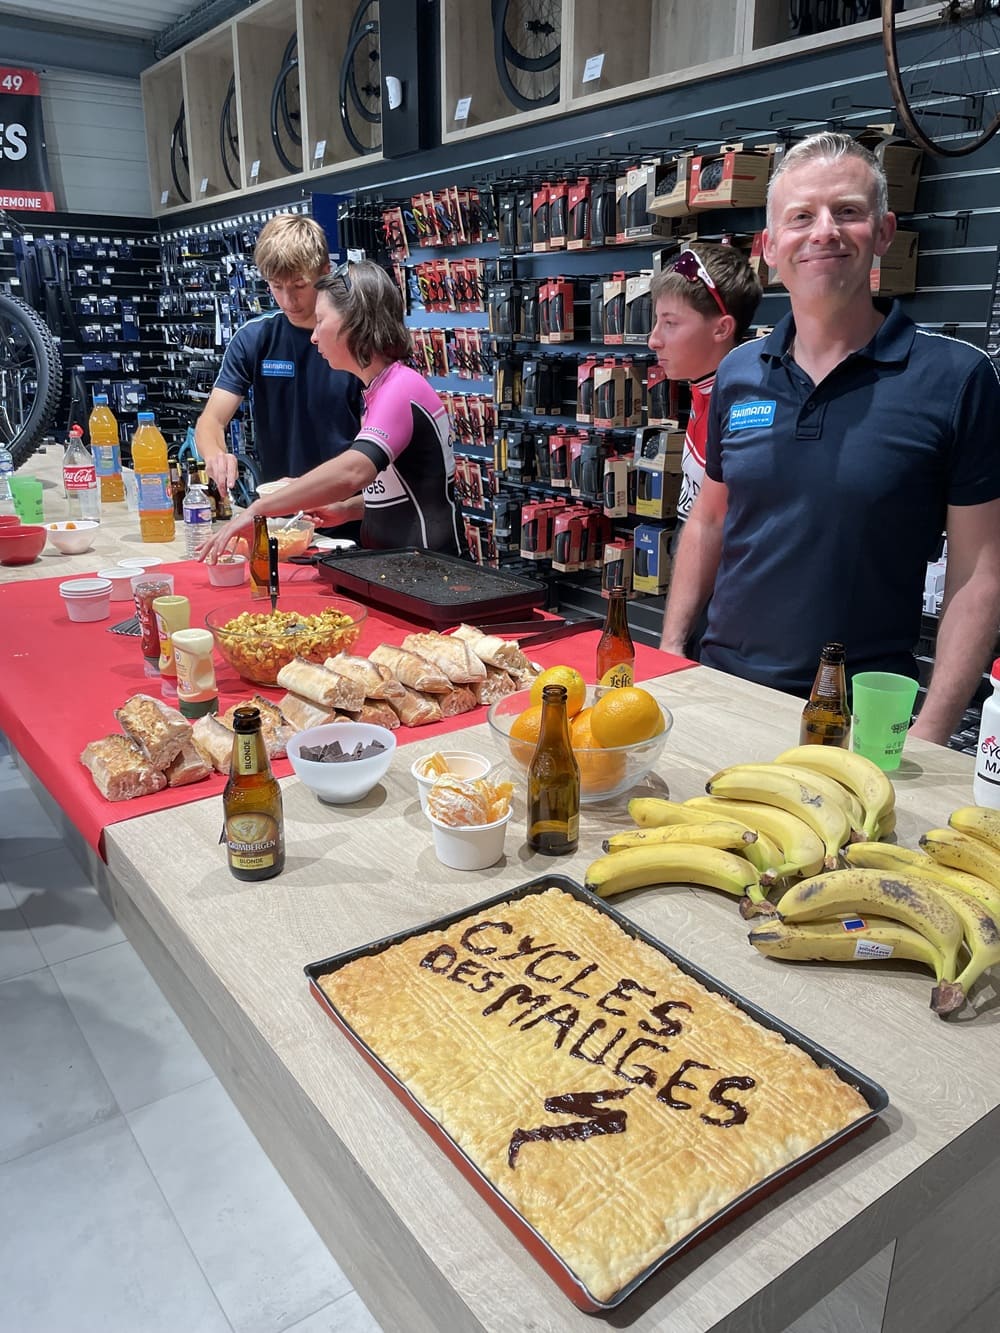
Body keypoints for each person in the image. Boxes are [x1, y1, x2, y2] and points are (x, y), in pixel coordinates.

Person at [660, 132, 1000, 745]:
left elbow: (979, 573)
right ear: (768, 247)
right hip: (721, 689)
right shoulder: (739, 371)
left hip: (861, 717)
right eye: (800, 217)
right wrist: (671, 650)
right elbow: (709, 520)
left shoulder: (957, 379)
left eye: (847, 211)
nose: (823, 232)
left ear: (884, 231)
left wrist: (927, 732)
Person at [199, 259, 467, 560]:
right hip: (401, 570)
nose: (313, 336)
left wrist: (261, 508)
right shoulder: (381, 388)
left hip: (431, 574)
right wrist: (346, 510)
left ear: (354, 322)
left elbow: (353, 471)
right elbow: (409, 491)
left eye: (321, 321)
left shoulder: (400, 389)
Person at [194, 214, 363, 497]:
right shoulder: (254, 338)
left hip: (349, 515)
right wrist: (215, 456)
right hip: (281, 513)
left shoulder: (357, 340)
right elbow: (211, 421)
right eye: (276, 286)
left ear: (325, 272)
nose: (288, 300)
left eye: (299, 285)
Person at [647, 243, 762, 655]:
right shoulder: (703, 392)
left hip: (729, 622)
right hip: (701, 606)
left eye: (670, 323)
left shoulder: (748, 411)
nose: (653, 339)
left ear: (721, 328)